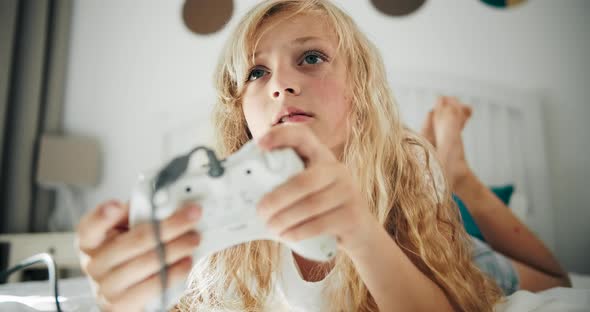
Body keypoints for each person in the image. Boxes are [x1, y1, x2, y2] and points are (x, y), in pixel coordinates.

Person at [75, 1, 505, 311]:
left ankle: (460, 176)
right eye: (257, 72)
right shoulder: (214, 204)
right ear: (240, 109)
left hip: (447, 241)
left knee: (537, 280)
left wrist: (358, 230)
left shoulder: (407, 162)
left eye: (311, 58)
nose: (280, 85)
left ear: (360, 85)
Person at [420, 96, 572, 294]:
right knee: (558, 283)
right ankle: (454, 174)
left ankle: (433, 168)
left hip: (426, 248)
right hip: (437, 253)